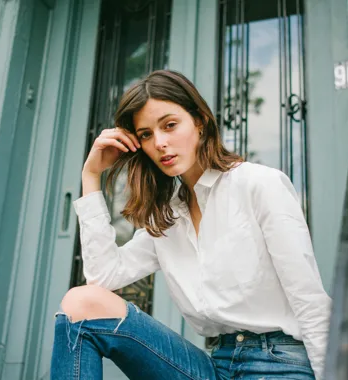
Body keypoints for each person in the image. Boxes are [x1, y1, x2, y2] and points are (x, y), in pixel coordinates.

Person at [50, 70, 331, 380]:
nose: (160, 143)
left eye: (170, 125)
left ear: (199, 120)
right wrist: (91, 177)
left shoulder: (258, 185)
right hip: (215, 365)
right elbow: (102, 278)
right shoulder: (169, 218)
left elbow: (310, 302)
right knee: (80, 304)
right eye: (145, 134)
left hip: (279, 364)